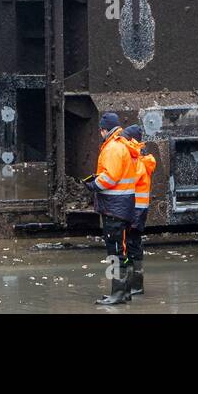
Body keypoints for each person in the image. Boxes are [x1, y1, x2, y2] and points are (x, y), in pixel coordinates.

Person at [86, 112, 140, 305]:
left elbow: (110, 177)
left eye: (100, 130)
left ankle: (117, 294)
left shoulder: (112, 148)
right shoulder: (123, 146)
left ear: (104, 130)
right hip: (122, 207)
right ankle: (124, 292)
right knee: (122, 251)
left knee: (116, 252)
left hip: (113, 209)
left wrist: (93, 184)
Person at [121, 124, 156, 296]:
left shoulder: (138, 163)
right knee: (134, 245)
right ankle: (135, 283)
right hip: (139, 210)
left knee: (131, 246)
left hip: (134, 211)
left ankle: (135, 284)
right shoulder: (143, 162)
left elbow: (129, 180)